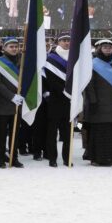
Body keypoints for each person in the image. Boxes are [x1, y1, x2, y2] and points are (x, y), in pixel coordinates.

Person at [82, 38, 112, 166]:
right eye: (105, 47)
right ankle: (97, 157)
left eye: (109, 47)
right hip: (98, 104)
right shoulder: (93, 63)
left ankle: (111, 157)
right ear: (99, 49)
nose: (108, 49)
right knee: (99, 133)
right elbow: (89, 84)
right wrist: (93, 101)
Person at [0, 36, 25, 168]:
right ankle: (0, 158)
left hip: (18, 103)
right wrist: (12, 96)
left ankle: (13, 157)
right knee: (1, 133)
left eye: (16, 47)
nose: (14, 49)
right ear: (4, 48)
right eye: (11, 46)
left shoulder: (21, 61)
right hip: (3, 103)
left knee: (15, 133)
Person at [43, 32, 72, 167]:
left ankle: (67, 158)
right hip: (55, 99)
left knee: (67, 132)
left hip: (70, 100)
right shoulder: (51, 59)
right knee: (52, 132)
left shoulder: (74, 58)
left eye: (68, 40)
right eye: (64, 40)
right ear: (58, 42)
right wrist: (63, 91)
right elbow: (48, 79)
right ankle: (52, 158)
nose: (67, 42)